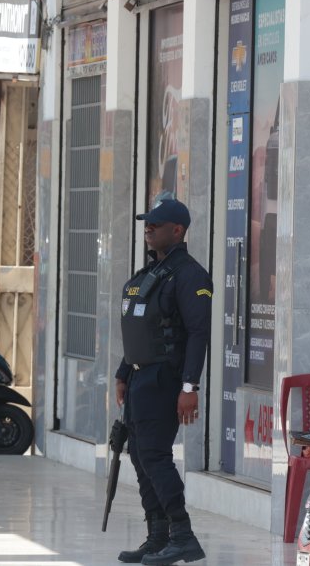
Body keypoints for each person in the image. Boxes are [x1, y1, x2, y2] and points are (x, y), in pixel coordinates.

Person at [115, 198, 213, 565]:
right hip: (141, 378)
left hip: (165, 380)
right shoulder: (151, 274)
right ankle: (157, 537)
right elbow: (144, 330)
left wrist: (190, 387)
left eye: (156, 224)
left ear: (178, 230)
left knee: (156, 457)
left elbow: (198, 333)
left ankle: (182, 535)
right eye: (146, 223)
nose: (148, 228)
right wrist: (123, 372)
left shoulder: (190, 275)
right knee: (140, 456)